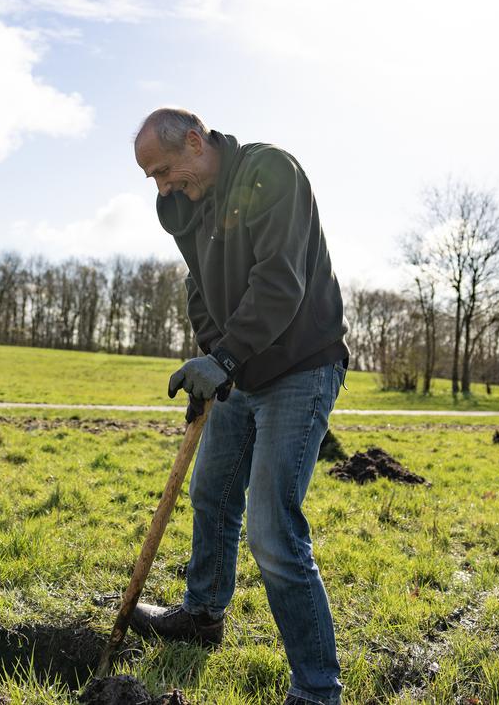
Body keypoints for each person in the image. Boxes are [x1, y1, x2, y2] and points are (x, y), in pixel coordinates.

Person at [131, 108, 349, 705]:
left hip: (302, 366)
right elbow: (198, 287)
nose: (163, 188)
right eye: (151, 177)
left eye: (166, 171)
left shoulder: (271, 172)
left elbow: (281, 282)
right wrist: (214, 362)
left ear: (197, 142)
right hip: (238, 368)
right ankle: (201, 614)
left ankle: (316, 689)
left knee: (272, 529)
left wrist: (225, 360)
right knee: (212, 494)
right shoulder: (180, 203)